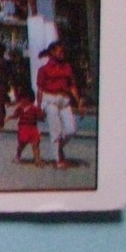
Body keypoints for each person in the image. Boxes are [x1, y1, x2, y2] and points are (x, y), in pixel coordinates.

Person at [36, 40, 83, 168]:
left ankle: (59, 147)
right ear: (52, 52)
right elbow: (40, 89)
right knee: (55, 129)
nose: (63, 54)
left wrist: (79, 102)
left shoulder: (67, 67)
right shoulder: (44, 69)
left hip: (64, 100)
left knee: (71, 129)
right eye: (60, 51)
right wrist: (39, 107)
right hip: (50, 100)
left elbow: (72, 85)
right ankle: (58, 160)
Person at [10, 85, 44, 166]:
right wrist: (10, 117)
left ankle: (37, 160)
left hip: (33, 128)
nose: (23, 101)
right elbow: (16, 115)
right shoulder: (20, 108)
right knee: (22, 144)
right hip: (23, 128)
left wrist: (42, 114)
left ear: (30, 99)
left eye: (25, 99)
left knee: (35, 144)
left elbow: (40, 117)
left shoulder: (34, 108)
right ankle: (18, 155)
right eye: (21, 99)